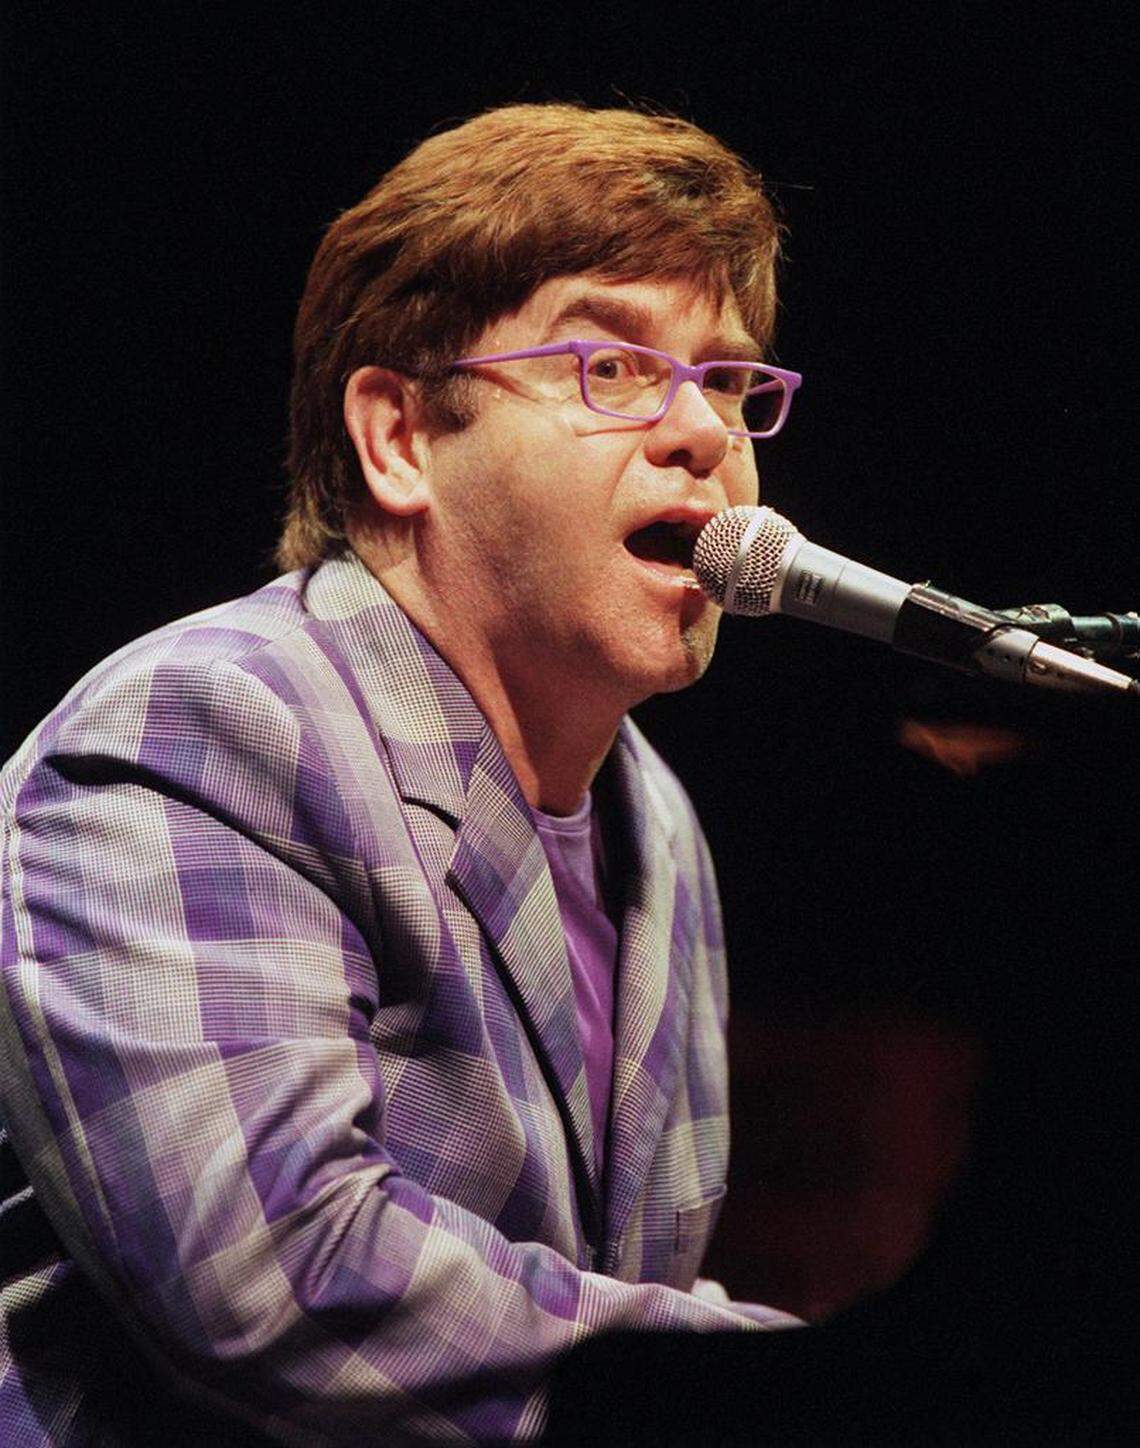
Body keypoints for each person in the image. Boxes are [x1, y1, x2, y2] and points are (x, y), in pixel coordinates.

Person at [0, 102, 804, 1445]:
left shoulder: (654, 820)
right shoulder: (197, 734)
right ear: (400, 439)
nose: (703, 432)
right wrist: (801, 1384)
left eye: (729, 379)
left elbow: (611, 1299)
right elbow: (281, 1278)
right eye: (614, 365)